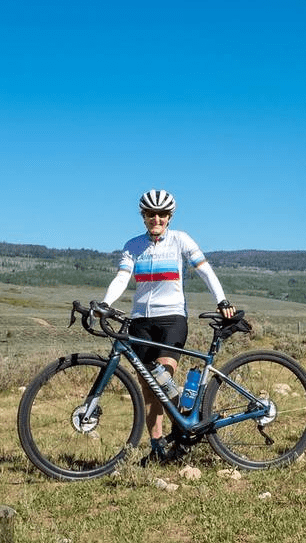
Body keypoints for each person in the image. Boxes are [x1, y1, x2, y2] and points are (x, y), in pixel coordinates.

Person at [101, 189, 235, 464]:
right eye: (151, 214)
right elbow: (121, 277)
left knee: (162, 377)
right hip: (140, 321)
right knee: (148, 386)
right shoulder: (133, 245)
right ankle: (158, 447)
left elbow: (205, 271)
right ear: (144, 216)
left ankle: (184, 426)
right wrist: (105, 302)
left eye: (162, 214)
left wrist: (222, 300)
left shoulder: (180, 240)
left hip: (172, 318)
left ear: (169, 217)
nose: (157, 218)